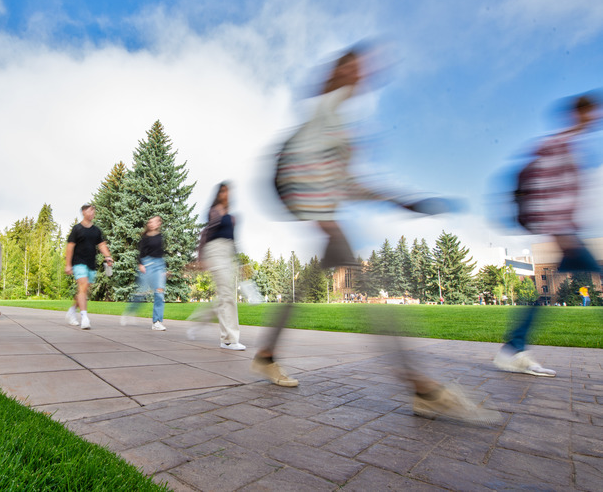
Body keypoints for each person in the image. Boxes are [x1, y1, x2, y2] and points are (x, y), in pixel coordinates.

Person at [256, 46, 496, 424]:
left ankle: (266, 353)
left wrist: (399, 200)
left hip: (317, 205)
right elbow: (296, 165)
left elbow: (349, 183)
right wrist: (321, 217)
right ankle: (421, 387)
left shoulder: (342, 125)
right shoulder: (325, 113)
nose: (361, 75)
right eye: (352, 68)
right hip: (305, 200)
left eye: (363, 70)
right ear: (338, 73)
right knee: (365, 284)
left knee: (311, 284)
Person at [494, 94, 601, 377]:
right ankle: (512, 349)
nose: (598, 117)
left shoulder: (569, 146)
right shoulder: (558, 145)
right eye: (594, 111)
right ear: (582, 113)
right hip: (564, 232)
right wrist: (558, 232)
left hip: (567, 231)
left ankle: (513, 348)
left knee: (546, 299)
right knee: (559, 292)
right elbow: (543, 191)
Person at [187, 183, 245, 350]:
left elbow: (234, 242)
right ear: (218, 194)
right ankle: (228, 340)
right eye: (223, 190)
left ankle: (198, 323)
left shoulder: (232, 216)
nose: (226, 194)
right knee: (227, 295)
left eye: (228, 191)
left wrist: (240, 263)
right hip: (215, 251)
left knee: (224, 296)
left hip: (227, 254)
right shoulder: (214, 211)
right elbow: (205, 233)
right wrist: (201, 258)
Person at [65, 204, 113, 330]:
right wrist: (68, 264)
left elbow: (101, 245)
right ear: (83, 212)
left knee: (84, 290)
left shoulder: (96, 230)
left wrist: (108, 256)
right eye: (90, 211)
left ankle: (71, 311)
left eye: (94, 211)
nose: (93, 213)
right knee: (83, 286)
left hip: (91, 264)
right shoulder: (77, 229)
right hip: (78, 263)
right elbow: (70, 247)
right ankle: (84, 317)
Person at [121, 215, 168, 331]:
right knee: (142, 292)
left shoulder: (161, 236)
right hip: (147, 264)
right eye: (150, 222)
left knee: (159, 293)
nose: (152, 224)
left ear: (159, 224)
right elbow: (140, 252)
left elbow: (161, 252)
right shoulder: (145, 237)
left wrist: (164, 269)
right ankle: (129, 312)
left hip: (159, 265)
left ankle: (157, 322)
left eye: (155, 222)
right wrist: (140, 264)